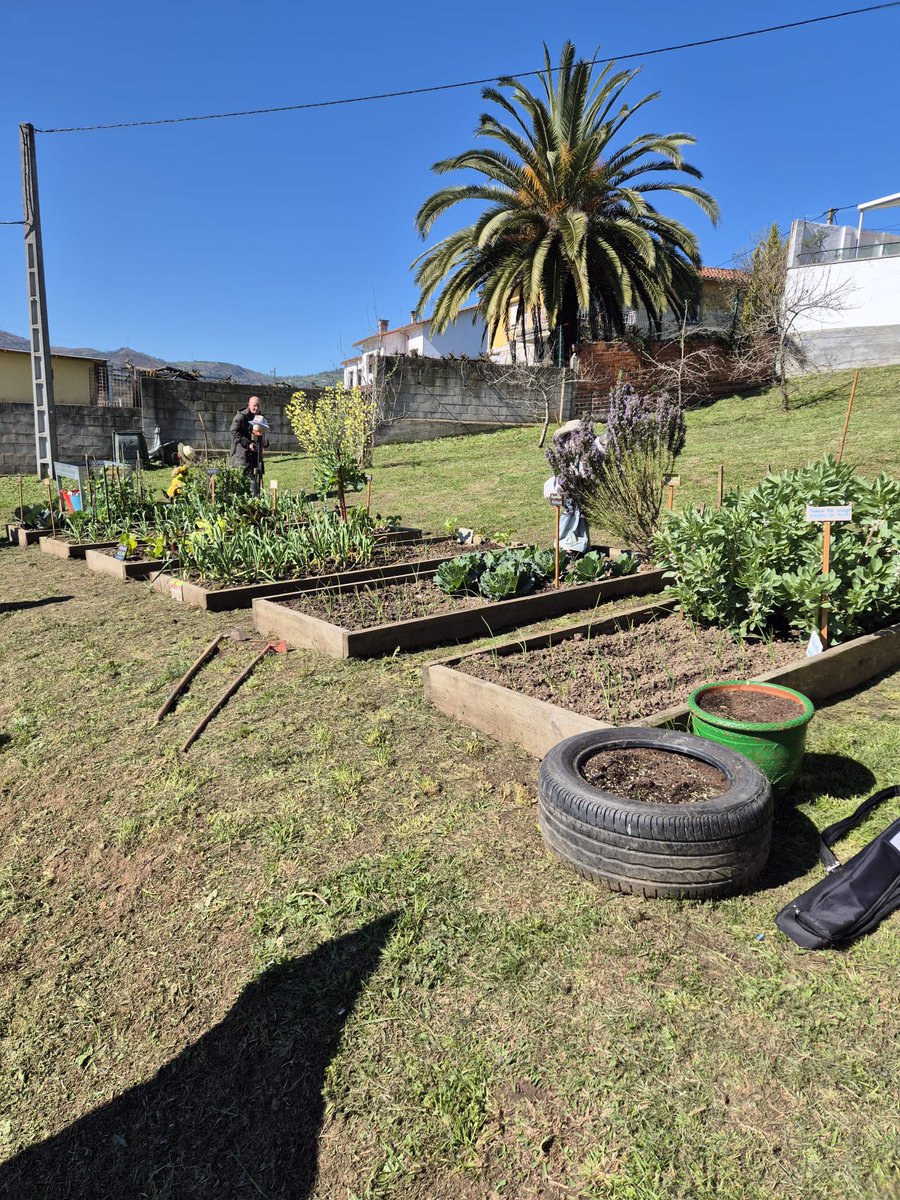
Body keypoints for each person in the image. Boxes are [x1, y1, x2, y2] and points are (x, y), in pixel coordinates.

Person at [230, 396, 269, 496]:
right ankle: (251, 500)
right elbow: (234, 431)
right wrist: (248, 443)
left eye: (258, 406)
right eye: (254, 406)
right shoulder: (241, 417)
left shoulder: (260, 418)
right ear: (249, 405)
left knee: (256, 479)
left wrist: (265, 442)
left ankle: (255, 502)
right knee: (245, 480)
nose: (256, 408)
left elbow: (263, 433)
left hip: (256, 456)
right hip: (242, 454)